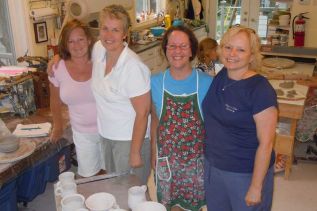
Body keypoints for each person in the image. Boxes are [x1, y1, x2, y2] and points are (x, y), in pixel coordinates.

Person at [202, 25, 278, 210]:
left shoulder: (260, 90)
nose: (232, 53)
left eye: (241, 49)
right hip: (214, 166)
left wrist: (256, 187)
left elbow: (266, 144)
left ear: (252, 56)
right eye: (228, 47)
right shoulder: (222, 75)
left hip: (244, 173)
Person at [151, 26, 212, 211]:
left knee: (193, 208)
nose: (177, 51)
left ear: (192, 50)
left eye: (183, 46)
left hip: (195, 162)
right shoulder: (154, 82)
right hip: (166, 160)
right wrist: (153, 153)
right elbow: (155, 121)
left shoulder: (207, 83)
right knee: (171, 207)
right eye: (172, 46)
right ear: (165, 50)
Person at [90, 5, 151, 184]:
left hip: (129, 140)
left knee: (131, 193)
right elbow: (75, 55)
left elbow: (143, 113)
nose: (109, 36)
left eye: (115, 30)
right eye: (105, 28)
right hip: (106, 135)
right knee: (114, 189)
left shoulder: (133, 67)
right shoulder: (98, 50)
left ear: (125, 33)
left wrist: (135, 152)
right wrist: (57, 59)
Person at [49, 19, 105, 177]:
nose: (76, 45)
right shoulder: (57, 67)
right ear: (65, 45)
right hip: (82, 133)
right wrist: (57, 126)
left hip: (109, 129)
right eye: (70, 41)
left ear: (88, 40)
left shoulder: (101, 61)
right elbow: (54, 101)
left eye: (80, 39)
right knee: (89, 177)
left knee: (111, 175)